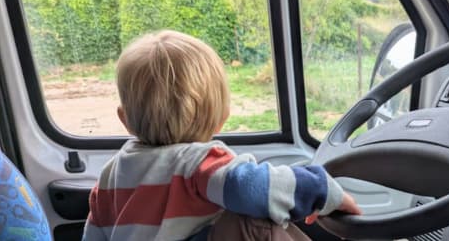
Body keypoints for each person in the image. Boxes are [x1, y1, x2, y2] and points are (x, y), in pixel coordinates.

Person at [83, 30, 361, 241]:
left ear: (125, 119)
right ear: (221, 117)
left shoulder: (110, 176)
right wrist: (323, 190)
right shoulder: (199, 164)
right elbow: (256, 188)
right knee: (256, 223)